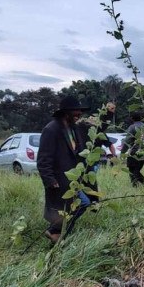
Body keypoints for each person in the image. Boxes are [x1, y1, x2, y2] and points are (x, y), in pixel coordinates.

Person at [37, 96, 93, 243]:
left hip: (73, 179)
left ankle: (58, 233)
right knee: (63, 209)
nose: (79, 115)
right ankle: (56, 233)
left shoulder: (73, 128)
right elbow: (43, 159)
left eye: (80, 112)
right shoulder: (51, 129)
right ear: (66, 112)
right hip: (59, 179)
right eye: (76, 112)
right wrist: (50, 180)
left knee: (81, 204)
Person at [121, 110, 144, 186]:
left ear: (132, 118)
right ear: (141, 118)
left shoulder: (132, 127)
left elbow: (127, 140)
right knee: (137, 169)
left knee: (132, 170)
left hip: (135, 151)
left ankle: (136, 185)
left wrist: (123, 151)